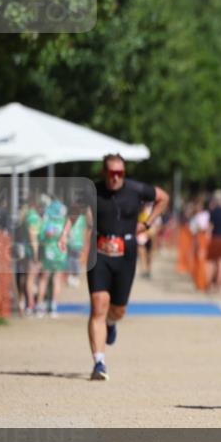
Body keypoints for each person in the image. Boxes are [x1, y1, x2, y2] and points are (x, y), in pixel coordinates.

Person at [61, 154, 168, 381]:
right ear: (104, 173)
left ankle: (111, 323)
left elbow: (163, 198)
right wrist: (64, 234)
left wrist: (147, 222)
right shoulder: (93, 190)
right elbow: (74, 211)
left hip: (125, 253)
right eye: (111, 173)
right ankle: (99, 362)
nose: (115, 177)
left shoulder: (136, 189)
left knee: (118, 309)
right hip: (99, 252)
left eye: (120, 173)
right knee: (98, 305)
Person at [38, 195, 69, 317]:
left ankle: (40, 306)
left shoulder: (47, 222)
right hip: (61, 253)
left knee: (44, 279)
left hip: (48, 253)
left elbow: (41, 237)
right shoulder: (64, 223)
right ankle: (53, 307)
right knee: (56, 279)